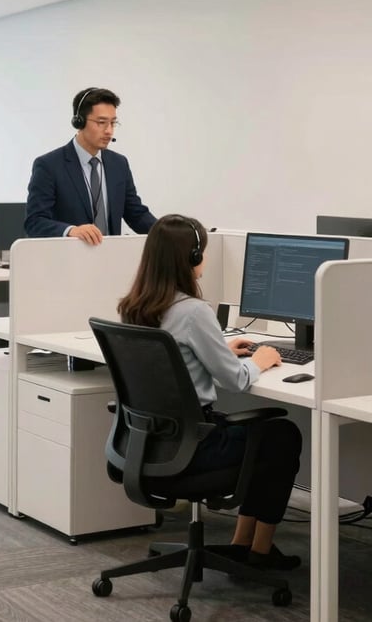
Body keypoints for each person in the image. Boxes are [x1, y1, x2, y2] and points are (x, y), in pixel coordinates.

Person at [119, 214, 302, 570]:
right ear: (191, 257)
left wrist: (217, 347)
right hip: (193, 448)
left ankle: (242, 544)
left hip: (150, 442)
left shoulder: (135, 306)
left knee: (267, 436)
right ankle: (259, 552)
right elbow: (236, 380)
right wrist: (261, 360)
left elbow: (173, 357)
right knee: (282, 434)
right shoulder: (193, 311)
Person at [24, 87, 155, 243]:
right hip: (69, 261)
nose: (109, 131)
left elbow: (136, 214)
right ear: (79, 122)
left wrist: (170, 231)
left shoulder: (119, 164)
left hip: (111, 259)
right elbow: (35, 222)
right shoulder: (49, 166)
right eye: (101, 123)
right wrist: (71, 231)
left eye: (113, 123)